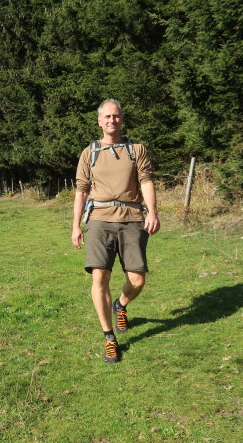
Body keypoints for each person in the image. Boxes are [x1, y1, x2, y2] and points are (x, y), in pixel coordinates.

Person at [71, 99, 160, 363]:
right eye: (107, 117)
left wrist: (153, 212)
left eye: (116, 116)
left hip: (133, 218)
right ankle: (109, 336)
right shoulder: (90, 152)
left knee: (137, 279)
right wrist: (75, 225)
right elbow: (81, 190)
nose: (112, 120)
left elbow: (146, 181)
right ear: (99, 121)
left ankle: (120, 304)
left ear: (122, 119)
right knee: (100, 275)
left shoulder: (137, 149)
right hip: (99, 219)